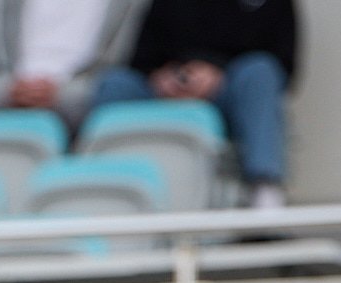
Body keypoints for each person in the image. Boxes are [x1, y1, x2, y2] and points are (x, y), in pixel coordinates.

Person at [94, 0, 299, 209]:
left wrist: (218, 74)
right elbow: (139, 60)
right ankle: (100, 187)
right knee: (115, 83)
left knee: (260, 71)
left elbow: (284, 64)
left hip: (229, 91)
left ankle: (265, 188)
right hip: (164, 93)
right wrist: (162, 77)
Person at [0, 0, 143, 141]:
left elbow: (125, 64)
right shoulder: (5, 6)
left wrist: (59, 93)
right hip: (9, 97)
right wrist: (8, 91)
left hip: (77, 99)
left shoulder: (126, 6)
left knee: (118, 90)